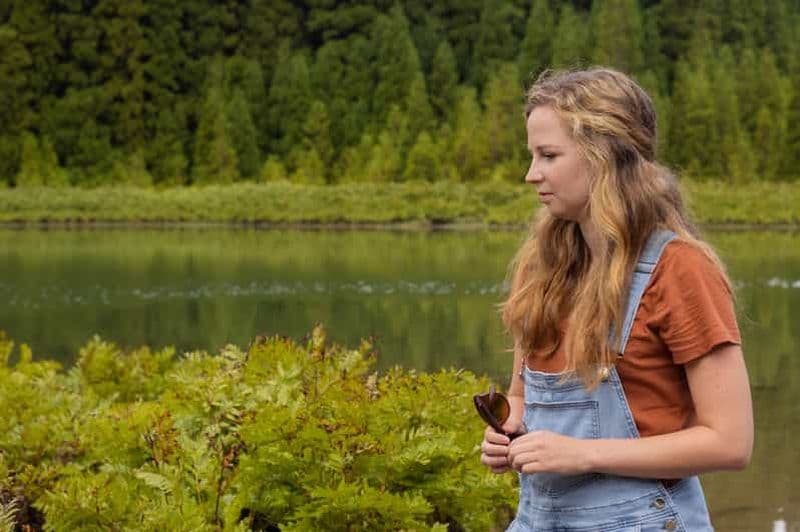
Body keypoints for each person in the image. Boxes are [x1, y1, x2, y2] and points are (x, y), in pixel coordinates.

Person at [479, 68, 753, 531]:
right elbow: (521, 396)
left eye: (549, 155)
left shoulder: (680, 270)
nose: (531, 174)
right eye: (532, 155)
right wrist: (508, 435)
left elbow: (730, 443)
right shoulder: (540, 270)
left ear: (604, 155)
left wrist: (582, 454)